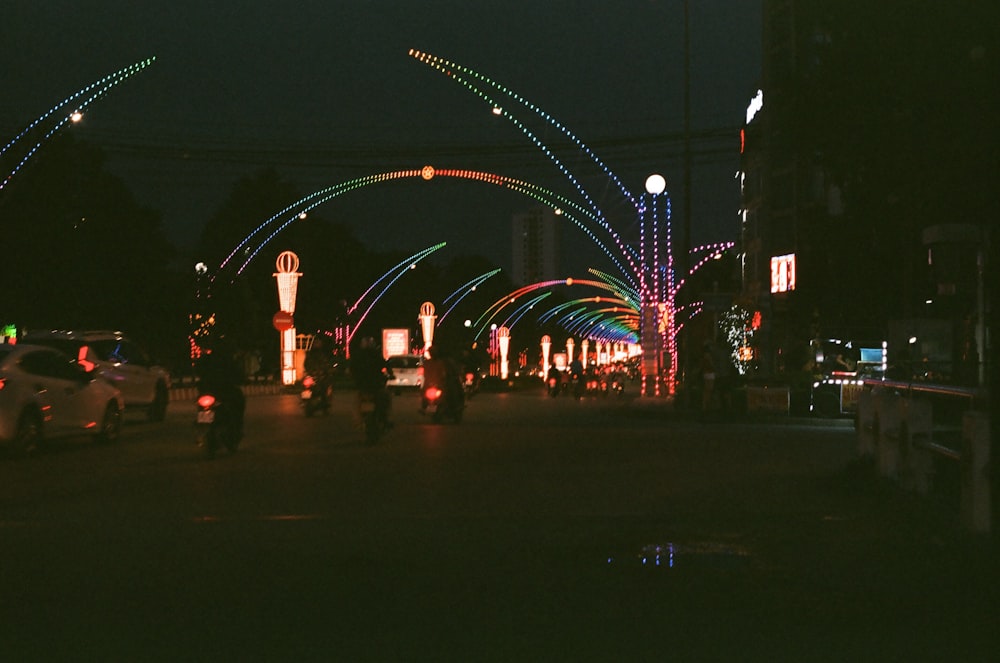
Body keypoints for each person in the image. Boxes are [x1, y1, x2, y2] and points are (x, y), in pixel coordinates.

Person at [196, 336, 246, 439]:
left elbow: (198, 371)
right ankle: (236, 427)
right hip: (224, 390)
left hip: (206, 390)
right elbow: (239, 375)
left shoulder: (206, 359)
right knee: (239, 401)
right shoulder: (228, 361)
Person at [349, 336, 392, 425]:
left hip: (363, 385)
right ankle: (385, 419)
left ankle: (358, 420)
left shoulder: (358, 356)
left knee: (357, 402)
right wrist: (390, 374)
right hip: (375, 384)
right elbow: (386, 365)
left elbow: (352, 368)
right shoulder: (376, 355)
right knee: (386, 398)